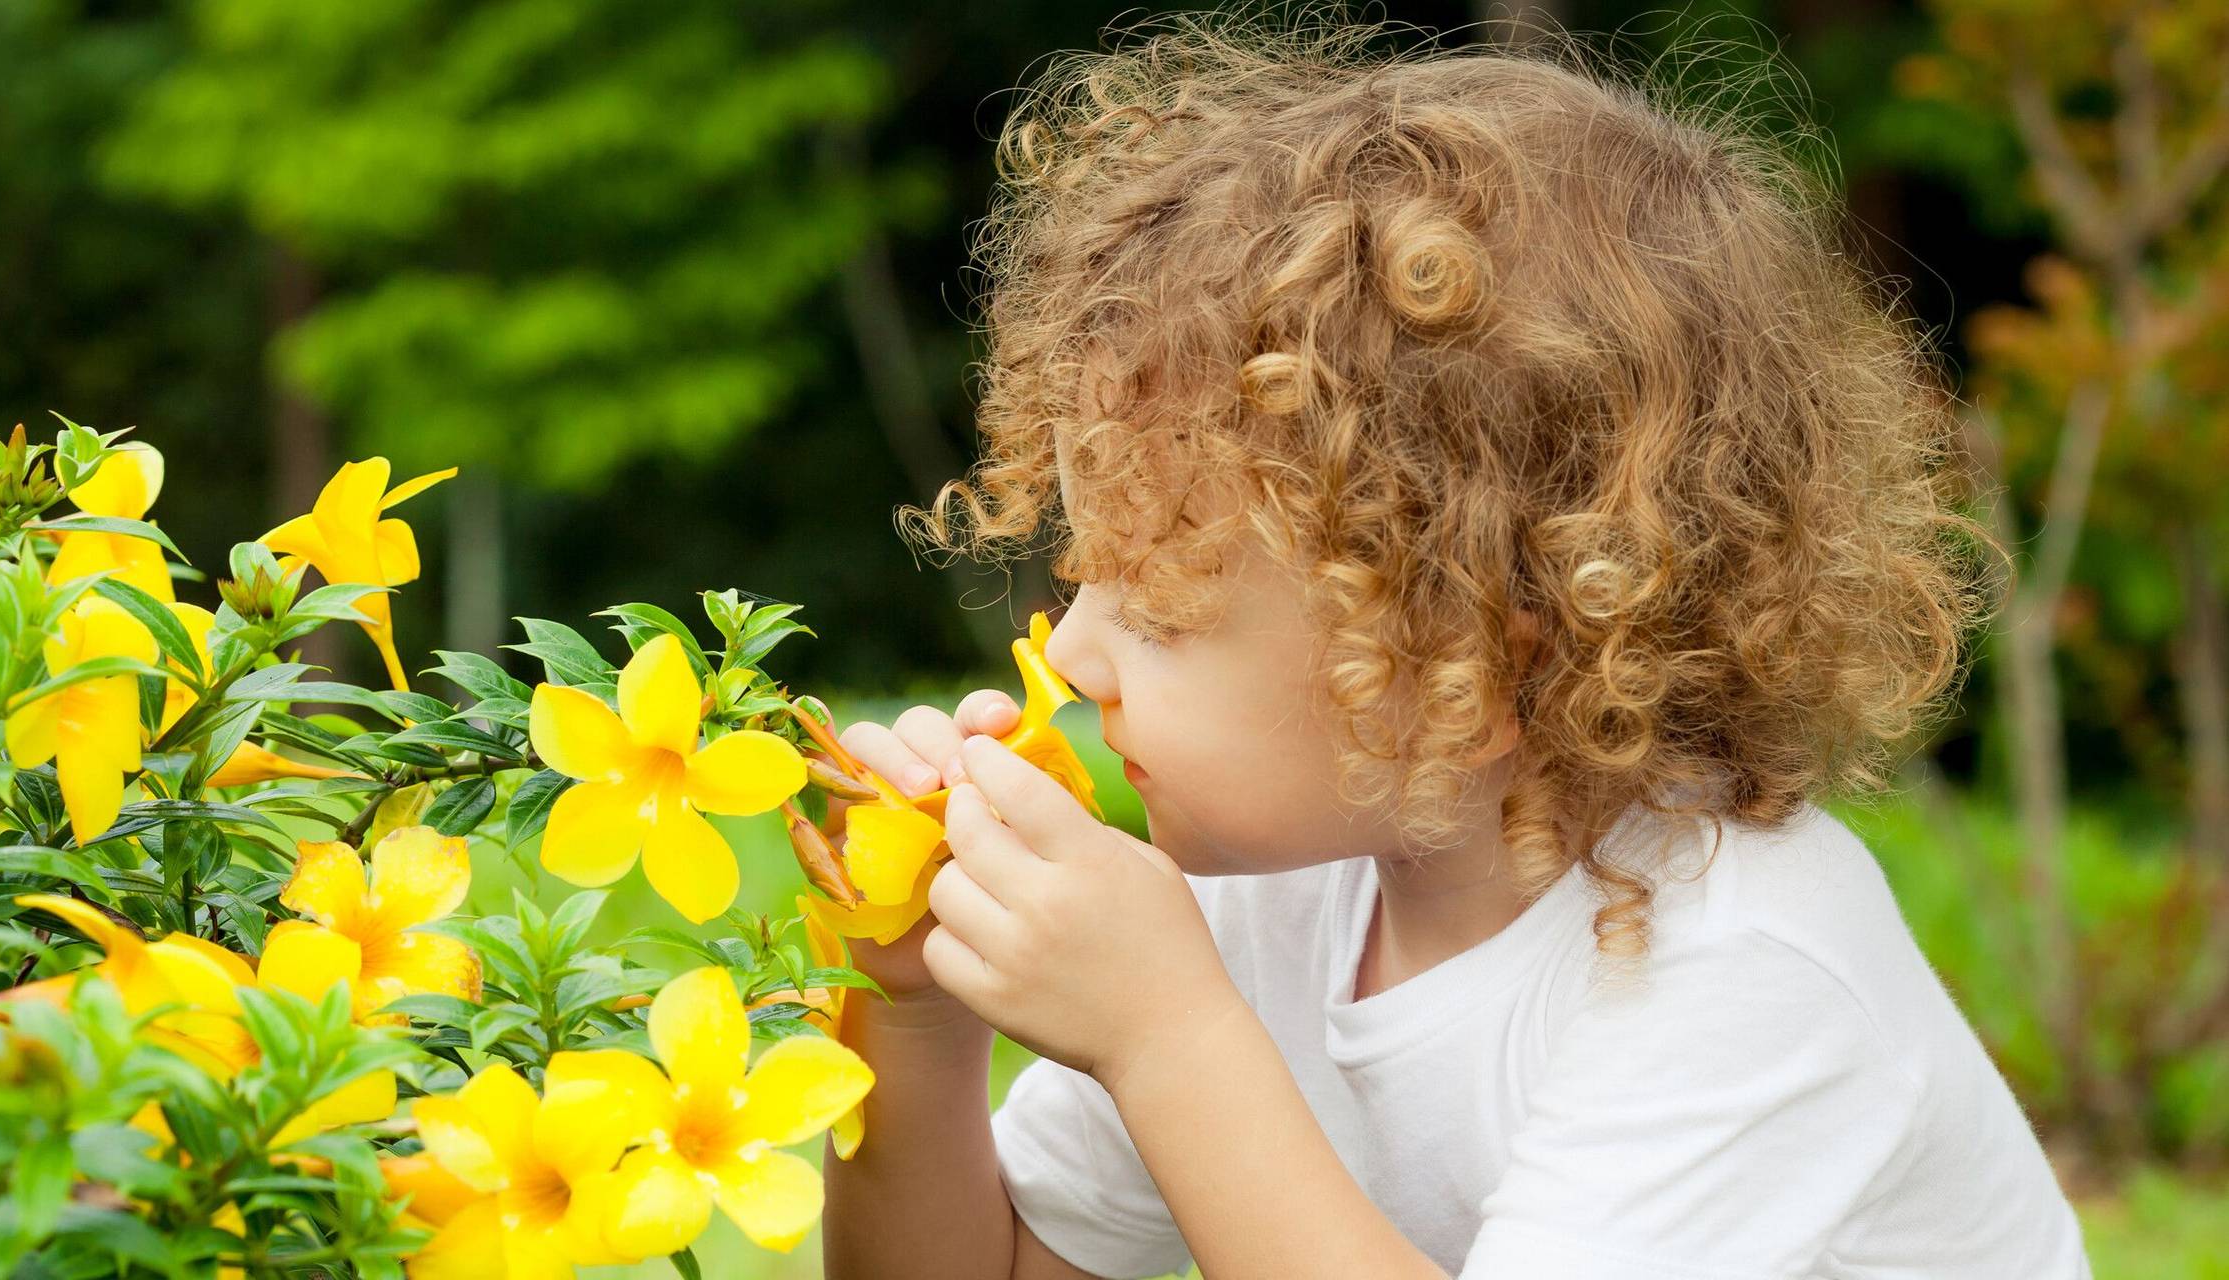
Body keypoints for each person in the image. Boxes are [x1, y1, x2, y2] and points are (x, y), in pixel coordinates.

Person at [819, 15, 2088, 1279]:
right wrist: (912, 1010)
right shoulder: (1276, 890)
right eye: (1083, 575)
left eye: (1163, 612)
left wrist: (1166, 1036)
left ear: (1464, 669)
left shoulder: (1744, 962)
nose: (1075, 653)